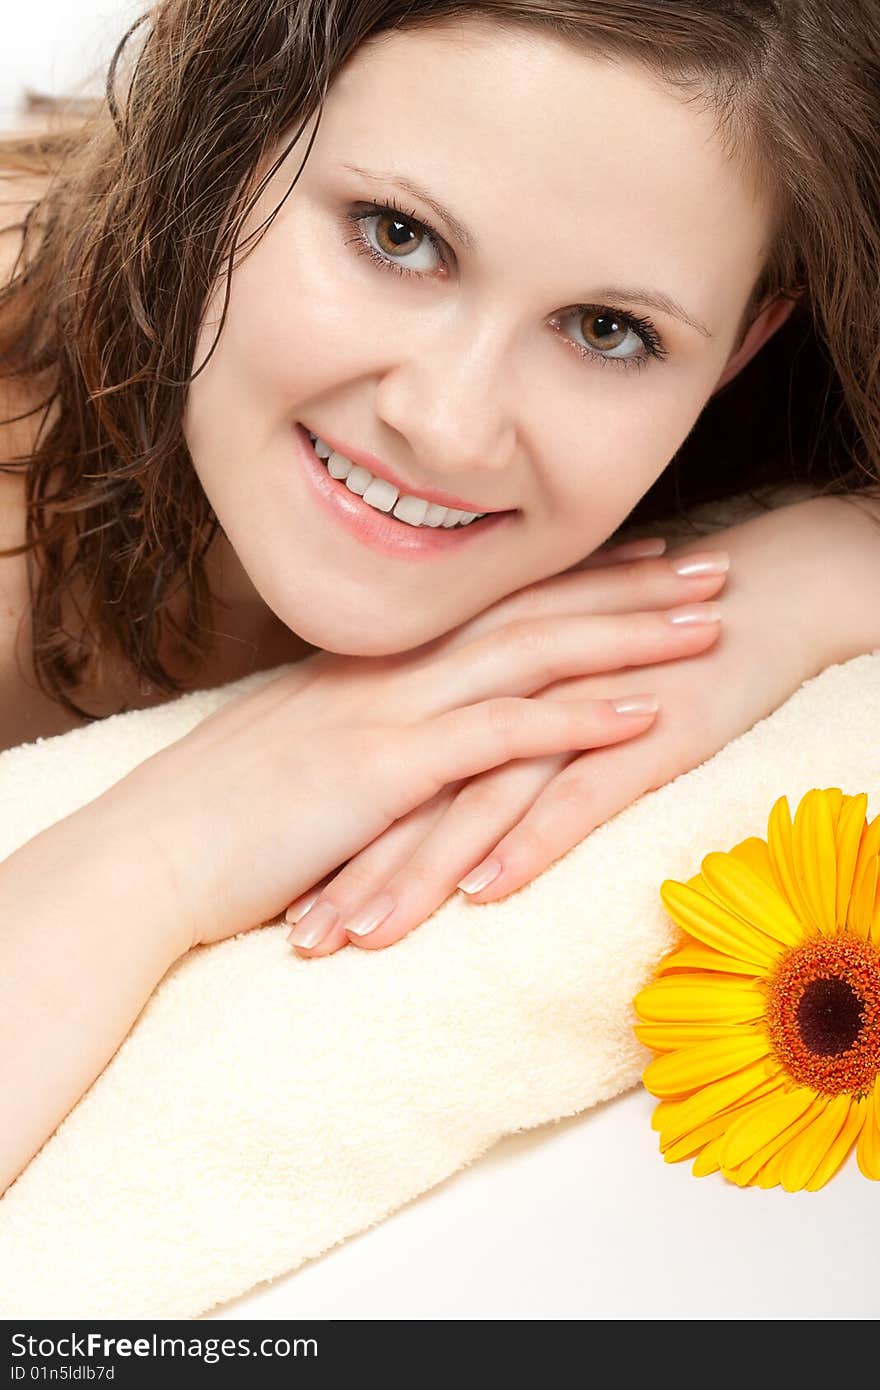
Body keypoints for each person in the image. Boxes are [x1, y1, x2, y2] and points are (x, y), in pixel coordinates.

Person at [1, 0, 879, 1197]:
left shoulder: (750, 452)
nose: (448, 425)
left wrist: (804, 573)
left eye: (607, 331)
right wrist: (168, 844)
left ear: (740, 349)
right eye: (398, 236)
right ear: (228, 143)